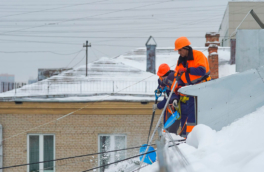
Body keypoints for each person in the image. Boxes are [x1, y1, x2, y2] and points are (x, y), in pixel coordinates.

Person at [174, 37, 211, 137]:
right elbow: (178, 75)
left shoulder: (198, 55)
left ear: (186, 48)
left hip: (203, 88)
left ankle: (202, 136)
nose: (179, 53)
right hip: (191, 90)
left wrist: (186, 69)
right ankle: (189, 136)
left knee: (200, 114)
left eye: (180, 50)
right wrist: (179, 86)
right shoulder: (180, 61)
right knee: (191, 115)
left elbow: (201, 70)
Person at [153, 63, 180, 134]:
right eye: (160, 77)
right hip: (167, 108)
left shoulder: (172, 81)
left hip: (174, 107)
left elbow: (167, 99)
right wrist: (159, 89)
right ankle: (165, 138)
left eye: (162, 77)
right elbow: (160, 85)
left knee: (171, 129)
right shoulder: (161, 80)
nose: (161, 79)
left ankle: (172, 140)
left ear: (167, 75)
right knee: (165, 128)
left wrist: (158, 106)